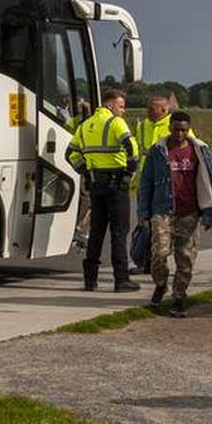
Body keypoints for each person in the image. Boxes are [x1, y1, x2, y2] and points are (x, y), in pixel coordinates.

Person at [136, 110, 212, 318]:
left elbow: (208, 183)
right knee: (159, 253)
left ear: (188, 129)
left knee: (185, 258)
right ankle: (160, 284)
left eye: (184, 130)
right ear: (170, 128)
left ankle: (179, 296)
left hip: (189, 212)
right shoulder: (158, 151)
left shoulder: (200, 150)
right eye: (176, 129)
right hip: (162, 210)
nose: (180, 134)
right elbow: (145, 182)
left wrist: (208, 212)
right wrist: (143, 211)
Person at [65, 89, 138, 293]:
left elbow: (70, 153)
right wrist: (127, 175)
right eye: (121, 106)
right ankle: (121, 279)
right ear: (110, 105)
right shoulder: (116, 123)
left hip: (96, 184)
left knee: (96, 232)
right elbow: (132, 149)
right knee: (119, 232)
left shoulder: (85, 125)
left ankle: (90, 280)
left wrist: (86, 173)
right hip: (117, 185)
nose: (123, 111)